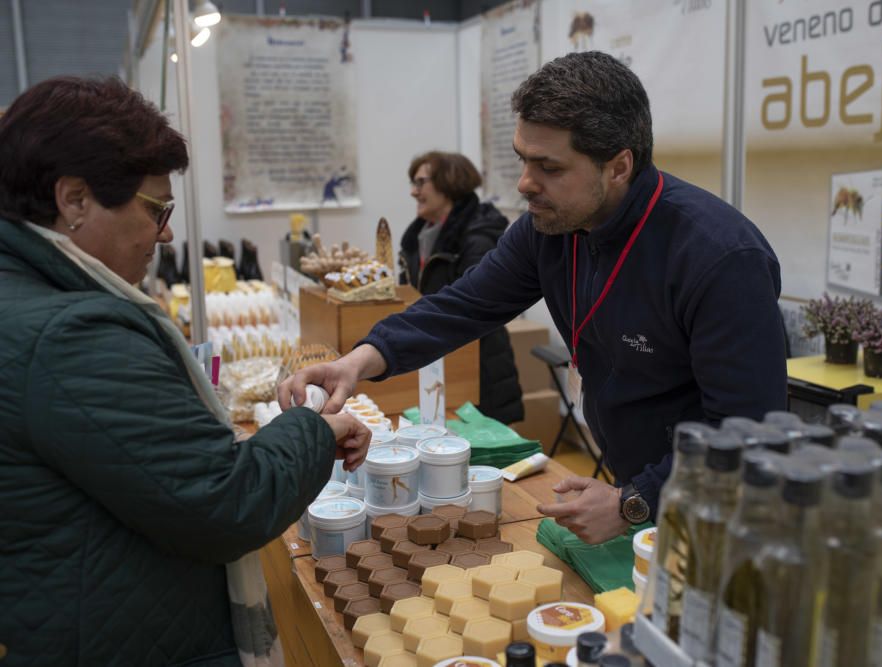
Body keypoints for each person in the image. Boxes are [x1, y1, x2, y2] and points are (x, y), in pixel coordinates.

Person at [280, 51, 787, 544]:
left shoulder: (720, 258)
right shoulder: (552, 229)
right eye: (523, 159)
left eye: (549, 167)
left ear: (618, 167)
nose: (525, 184)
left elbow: (747, 433)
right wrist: (359, 362)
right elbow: (463, 305)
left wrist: (635, 500)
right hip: (642, 493)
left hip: (724, 514)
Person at [0, 76, 371, 665]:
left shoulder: (23, 296)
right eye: (156, 209)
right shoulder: (71, 335)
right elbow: (226, 501)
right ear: (73, 200)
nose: (167, 231)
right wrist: (315, 431)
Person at [400, 151, 523, 424]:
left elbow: (474, 305)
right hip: (439, 359)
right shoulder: (418, 236)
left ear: (448, 184)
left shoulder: (478, 237)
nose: (413, 192)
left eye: (420, 183)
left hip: (479, 370)